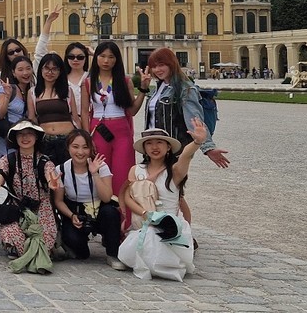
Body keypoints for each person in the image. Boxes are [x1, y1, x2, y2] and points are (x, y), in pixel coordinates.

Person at [118, 123, 210, 281]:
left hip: (169, 223)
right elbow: (128, 197)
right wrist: (145, 214)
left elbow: (185, 156)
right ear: (144, 148)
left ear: (168, 147)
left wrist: (197, 142)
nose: (154, 147)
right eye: (149, 143)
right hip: (145, 221)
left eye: (159, 142)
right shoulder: (136, 170)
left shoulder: (175, 171)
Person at [142, 48, 230, 168]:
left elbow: (194, 120)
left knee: (170, 179)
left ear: (171, 64)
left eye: (161, 65)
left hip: (173, 150)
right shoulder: (158, 88)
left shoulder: (185, 88)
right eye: (154, 66)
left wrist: (209, 148)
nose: (157, 70)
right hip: (153, 148)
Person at [0, 121, 61, 268]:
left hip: (42, 208)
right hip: (18, 207)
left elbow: (50, 174)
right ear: (15, 138)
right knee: (11, 233)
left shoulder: (45, 161)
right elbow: (0, 174)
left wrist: (52, 183)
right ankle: (25, 250)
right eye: (21, 134)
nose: (25, 137)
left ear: (36, 137)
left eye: (29, 134)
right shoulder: (8, 160)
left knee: (44, 241)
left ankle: (37, 250)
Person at [52, 130, 123, 270]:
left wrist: (94, 173)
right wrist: (71, 215)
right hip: (76, 211)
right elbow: (59, 201)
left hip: (99, 209)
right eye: (75, 147)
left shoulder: (100, 166)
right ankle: (73, 244)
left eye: (85, 147)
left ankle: (113, 253)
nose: (80, 152)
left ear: (91, 148)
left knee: (111, 213)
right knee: (80, 253)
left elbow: (106, 197)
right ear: (68, 148)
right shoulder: (61, 170)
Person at [87, 41, 142, 200]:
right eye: (102, 56)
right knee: (101, 171)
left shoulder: (124, 81)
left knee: (122, 172)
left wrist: (143, 90)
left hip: (121, 130)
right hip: (98, 129)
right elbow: (84, 112)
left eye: (111, 57)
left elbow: (132, 110)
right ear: (96, 57)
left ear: (117, 59)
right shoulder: (88, 82)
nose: (106, 61)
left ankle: (123, 212)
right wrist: (86, 137)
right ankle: (103, 211)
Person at [0, 55, 35, 175]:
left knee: (12, 175)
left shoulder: (32, 91)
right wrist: (7, 96)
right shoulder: (7, 89)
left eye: (28, 68)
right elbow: (0, 114)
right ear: (14, 73)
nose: (25, 73)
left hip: (15, 137)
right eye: (20, 70)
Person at [32, 54, 77, 164]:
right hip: (45, 141)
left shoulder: (68, 91)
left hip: (67, 138)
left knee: (68, 171)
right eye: (47, 68)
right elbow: (32, 118)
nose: (50, 72)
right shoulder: (33, 93)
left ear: (60, 71)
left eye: (54, 69)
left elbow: (75, 117)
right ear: (41, 70)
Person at [63, 42, 91, 116]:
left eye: (80, 57)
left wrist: (94, 53)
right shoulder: (61, 79)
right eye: (71, 57)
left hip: (88, 119)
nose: (75, 60)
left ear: (86, 58)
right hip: (67, 119)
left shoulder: (90, 78)